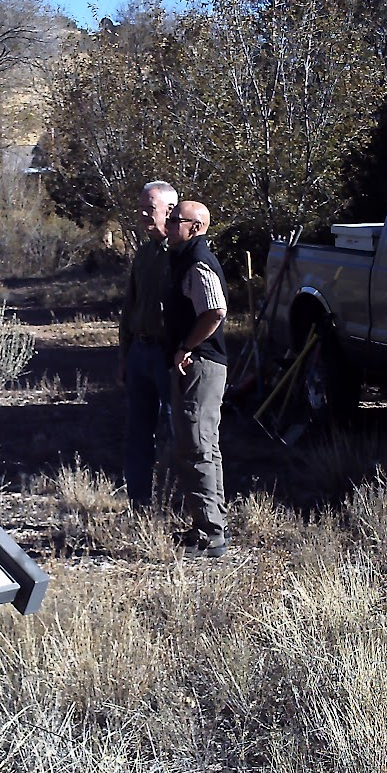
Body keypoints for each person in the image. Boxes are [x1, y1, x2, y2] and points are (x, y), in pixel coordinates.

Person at [163, 200, 230, 557]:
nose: (169, 225)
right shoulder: (184, 258)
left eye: (176, 220)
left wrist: (187, 346)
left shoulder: (198, 262)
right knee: (201, 445)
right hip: (197, 362)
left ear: (196, 227)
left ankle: (211, 535)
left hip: (200, 365)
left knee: (197, 446)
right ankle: (210, 524)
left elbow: (215, 311)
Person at [119, 180, 178, 509]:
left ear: (169, 211)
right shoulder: (144, 254)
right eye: (140, 208)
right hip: (140, 353)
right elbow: (130, 307)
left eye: (149, 208)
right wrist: (124, 356)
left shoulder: (182, 254)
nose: (142, 214)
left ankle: (174, 504)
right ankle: (139, 504)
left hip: (168, 355)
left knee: (174, 430)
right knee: (137, 433)